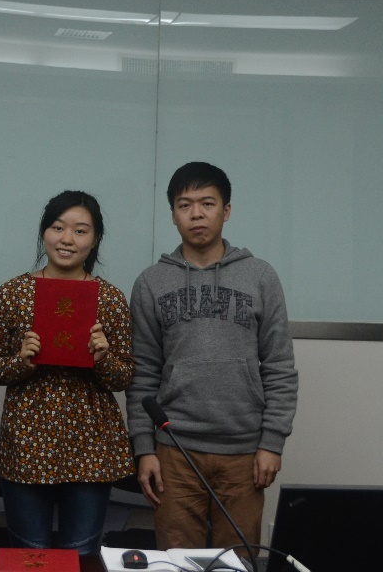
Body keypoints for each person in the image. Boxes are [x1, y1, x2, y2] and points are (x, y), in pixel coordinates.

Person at [126, 162, 298, 550]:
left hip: (244, 452)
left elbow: (279, 367)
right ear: (173, 214)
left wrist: (272, 442)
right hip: (174, 449)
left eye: (207, 203)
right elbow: (143, 374)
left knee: (238, 561)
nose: (197, 214)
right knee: (177, 561)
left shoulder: (260, 276)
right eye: (185, 205)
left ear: (227, 210)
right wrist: (144, 449)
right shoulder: (151, 282)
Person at [0, 190, 135, 554]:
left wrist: (103, 357)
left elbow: (124, 377)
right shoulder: (13, 293)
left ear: (95, 239)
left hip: (91, 449)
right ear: (44, 232)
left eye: (80, 231)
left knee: (81, 555)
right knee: (29, 556)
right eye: (57, 227)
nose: (67, 239)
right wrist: (21, 362)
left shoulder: (111, 299)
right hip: (26, 446)